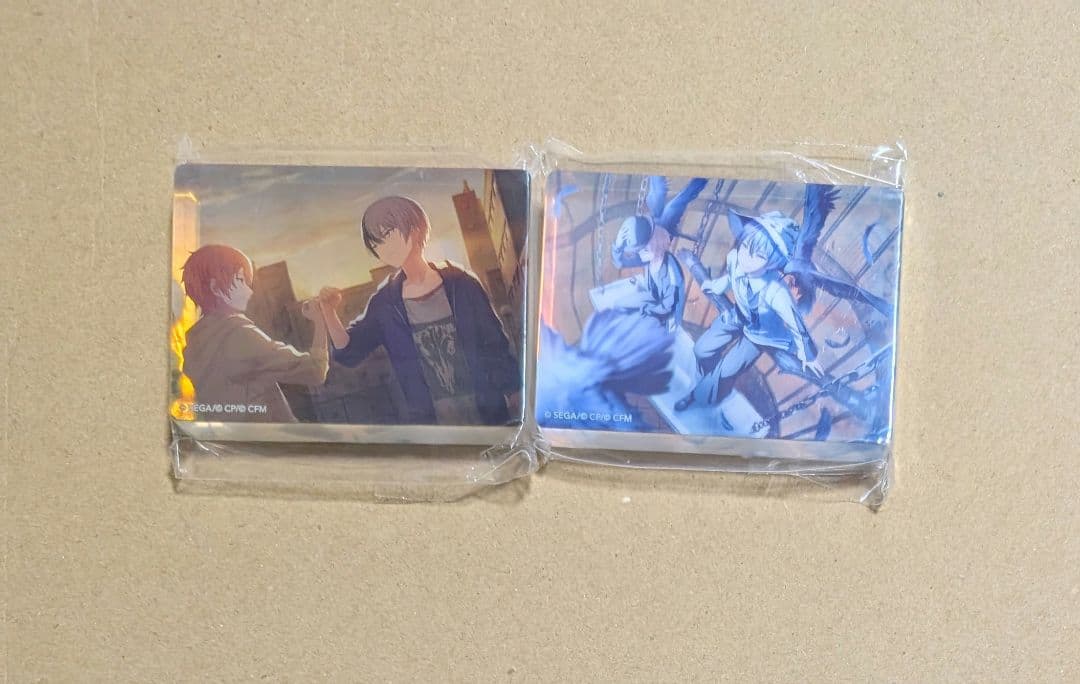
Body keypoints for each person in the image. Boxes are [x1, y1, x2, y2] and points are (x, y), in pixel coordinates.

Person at [319, 195, 521, 426]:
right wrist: (328, 312)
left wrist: (514, 391)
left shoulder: (462, 284)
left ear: (415, 229)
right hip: (431, 424)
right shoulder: (385, 304)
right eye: (375, 244)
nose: (381, 247)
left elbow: (494, 343)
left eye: (386, 235)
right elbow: (349, 350)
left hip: (488, 412)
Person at [675, 210, 821, 412]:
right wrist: (714, 286)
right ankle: (709, 380)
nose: (747, 257)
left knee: (727, 370)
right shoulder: (735, 259)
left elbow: (796, 324)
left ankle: (699, 395)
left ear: (774, 262)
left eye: (759, 255)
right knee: (702, 349)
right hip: (738, 315)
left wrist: (809, 356)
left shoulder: (776, 291)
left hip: (761, 335)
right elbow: (730, 279)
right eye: (746, 245)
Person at [180, 244, 328, 423]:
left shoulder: (195, 345)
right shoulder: (239, 335)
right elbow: (315, 370)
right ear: (216, 287)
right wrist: (320, 320)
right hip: (271, 437)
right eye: (241, 280)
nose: (249, 291)